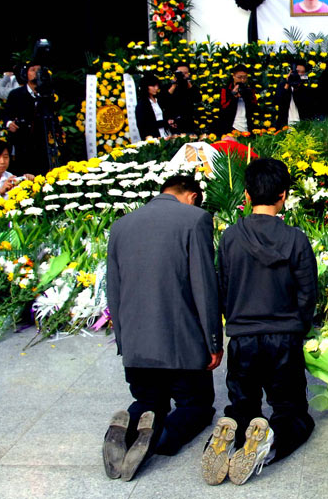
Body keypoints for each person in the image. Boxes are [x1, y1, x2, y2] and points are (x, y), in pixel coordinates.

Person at [202, 158, 317, 486]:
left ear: (247, 195)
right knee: (292, 412)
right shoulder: (295, 239)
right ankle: (270, 441)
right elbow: (308, 293)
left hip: (243, 338)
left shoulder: (230, 238)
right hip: (284, 337)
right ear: (284, 195)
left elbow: (223, 287)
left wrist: (235, 322)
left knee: (242, 405)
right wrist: (298, 328)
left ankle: (228, 434)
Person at [103, 175, 223, 482]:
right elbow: (203, 286)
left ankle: (128, 430)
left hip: (136, 346)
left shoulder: (121, 226)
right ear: (192, 195)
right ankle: (161, 437)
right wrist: (213, 342)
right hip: (182, 346)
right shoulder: (195, 219)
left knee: (148, 402)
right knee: (196, 405)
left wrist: (124, 342)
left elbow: (113, 289)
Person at [3, 62, 53, 175]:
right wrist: (9, 124)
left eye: (39, 70)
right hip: (22, 145)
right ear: (25, 74)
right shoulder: (15, 94)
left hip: (42, 146)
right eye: (33, 70)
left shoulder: (47, 95)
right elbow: (6, 115)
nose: (36, 73)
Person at [218, 65, 259, 134]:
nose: (242, 80)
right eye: (239, 77)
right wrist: (233, 96)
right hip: (231, 126)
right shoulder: (225, 90)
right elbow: (223, 108)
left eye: (245, 77)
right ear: (233, 76)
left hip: (246, 125)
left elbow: (254, 106)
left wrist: (246, 95)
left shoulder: (250, 90)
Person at [274, 62, 316, 127]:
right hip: (284, 126)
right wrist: (288, 83)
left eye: (302, 72)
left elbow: (306, 106)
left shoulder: (307, 90)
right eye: (298, 72)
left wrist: (298, 86)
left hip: (302, 125)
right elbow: (278, 101)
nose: (299, 74)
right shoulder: (282, 86)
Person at [164, 64, 201, 134]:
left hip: (188, 123)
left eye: (186, 73)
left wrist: (189, 83)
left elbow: (198, 99)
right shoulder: (168, 87)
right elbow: (164, 101)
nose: (183, 75)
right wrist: (173, 85)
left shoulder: (190, 87)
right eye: (181, 73)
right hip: (173, 124)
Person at [135, 73, 172, 139]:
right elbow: (144, 125)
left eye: (157, 86)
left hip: (166, 135)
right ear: (146, 87)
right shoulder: (142, 104)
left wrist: (169, 122)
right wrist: (165, 122)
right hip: (154, 138)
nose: (156, 88)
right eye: (153, 86)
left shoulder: (159, 100)